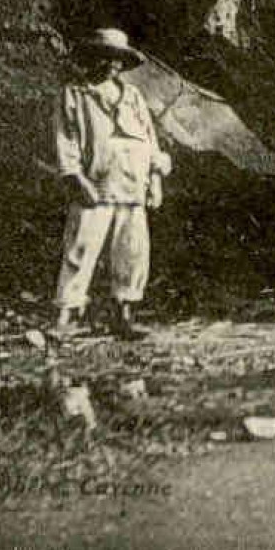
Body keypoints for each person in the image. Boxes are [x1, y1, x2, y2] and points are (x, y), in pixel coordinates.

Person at [52, 28, 171, 339]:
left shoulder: (132, 98)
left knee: (132, 252)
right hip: (95, 186)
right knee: (81, 248)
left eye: (118, 60)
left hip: (133, 186)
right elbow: (66, 140)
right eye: (104, 58)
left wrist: (155, 179)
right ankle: (66, 315)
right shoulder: (74, 93)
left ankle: (124, 314)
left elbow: (150, 141)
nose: (111, 65)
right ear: (91, 59)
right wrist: (76, 178)